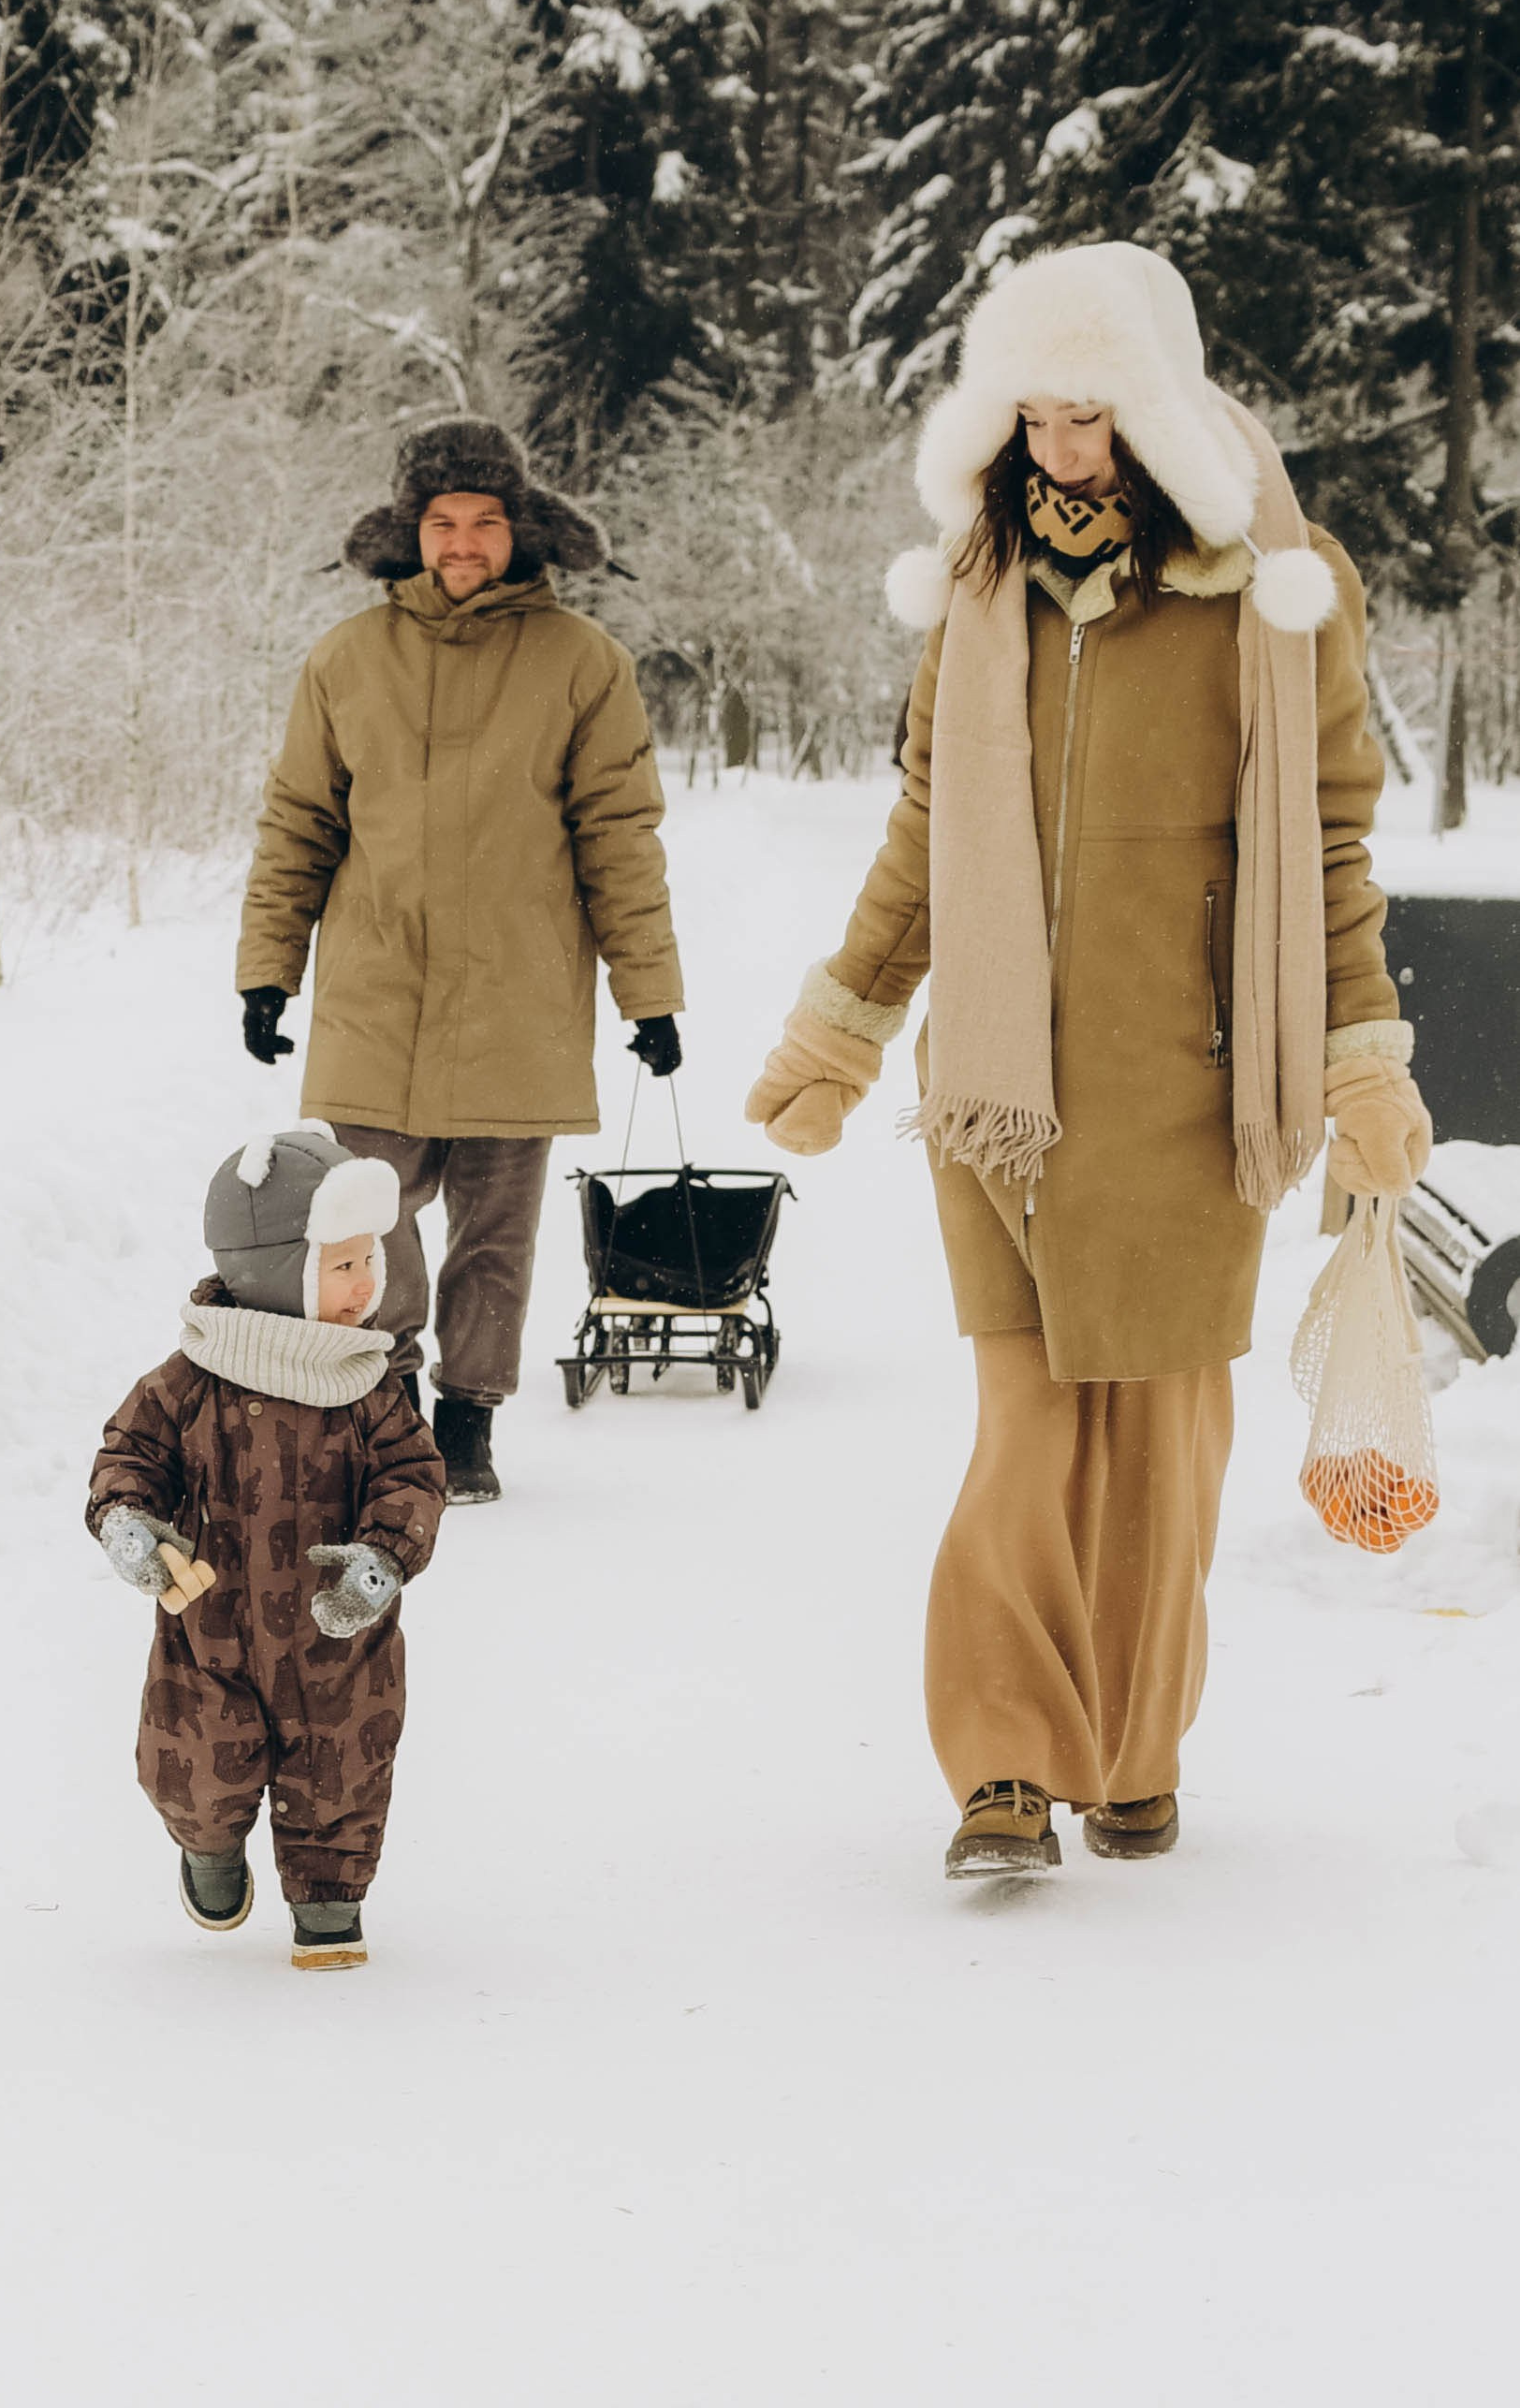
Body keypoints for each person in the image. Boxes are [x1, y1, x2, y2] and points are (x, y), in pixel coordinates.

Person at [747, 241, 1431, 1880]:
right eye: (1034, 418)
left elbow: (1325, 846)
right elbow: (925, 829)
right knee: (1025, 1429)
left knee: (1161, 1447)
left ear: (1156, 409)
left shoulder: (1272, 587)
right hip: (998, 1092)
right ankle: (1001, 1764)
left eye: (1091, 416)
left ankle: (1130, 1751)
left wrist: (1357, 1061)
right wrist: (839, 1027)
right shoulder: (976, 586)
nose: (1061, 452)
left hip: (1187, 1082)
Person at [236, 416, 685, 1507]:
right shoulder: (347, 658)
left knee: (494, 1234)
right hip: (376, 990)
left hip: (518, 997)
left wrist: (650, 995)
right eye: (443, 523)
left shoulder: (583, 662)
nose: (464, 543)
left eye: (485, 522)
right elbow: (299, 823)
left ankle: (467, 1422)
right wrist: (266, 971)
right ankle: (385, 1408)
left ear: (519, 530)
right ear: (413, 533)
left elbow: (619, 836)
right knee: (363, 1217)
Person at [87, 1123, 446, 1970]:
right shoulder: (190, 1378)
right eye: (342, 1264)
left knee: (342, 1769)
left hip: (336, 1637)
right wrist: (127, 1522)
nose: (367, 1283)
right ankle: (209, 1849)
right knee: (193, 1768)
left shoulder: (368, 1384)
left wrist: (382, 1558)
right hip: (207, 1631)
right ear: (276, 1269)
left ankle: (328, 1901)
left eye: (370, 1258)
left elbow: (411, 1477)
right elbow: (128, 1456)